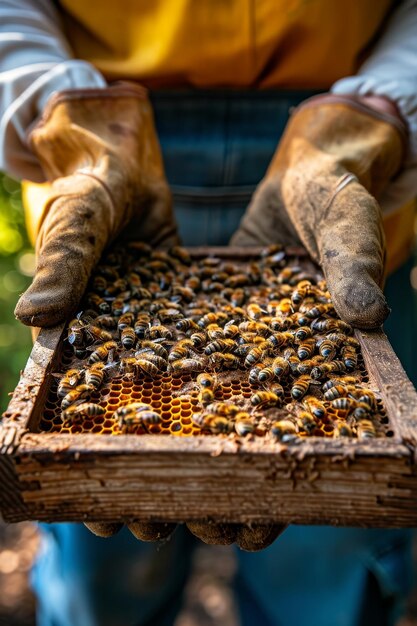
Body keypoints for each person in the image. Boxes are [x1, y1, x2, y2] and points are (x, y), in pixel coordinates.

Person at [1, 1, 417, 624]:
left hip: (342, 167)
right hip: (113, 151)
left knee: (331, 553)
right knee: (97, 564)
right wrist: (66, 118)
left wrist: (376, 116)